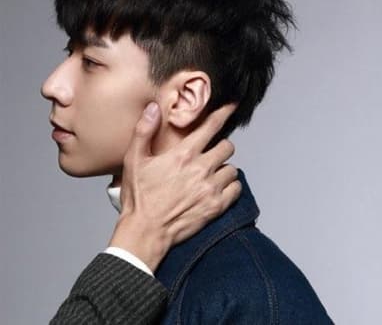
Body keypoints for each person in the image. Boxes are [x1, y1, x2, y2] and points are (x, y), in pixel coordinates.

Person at [42, 0, 331, 324]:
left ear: (184, 98)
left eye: (91, 61)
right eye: (69, 52)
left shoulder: (249, 297)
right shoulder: (158, 265)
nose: (53, 85)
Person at [51, 103, 242, 324]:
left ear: (185, 98)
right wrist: (139, 235)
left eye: (90, 78)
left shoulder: (242, 294)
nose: (50, 88)